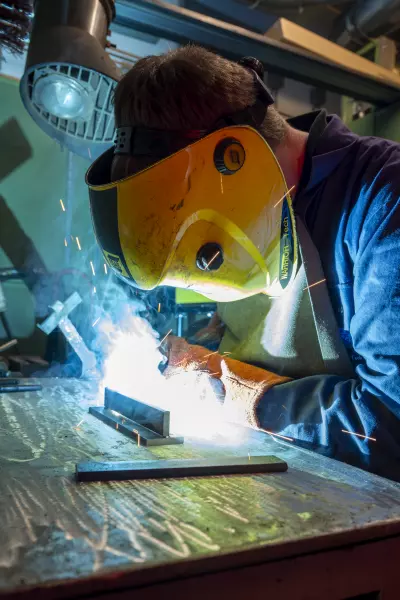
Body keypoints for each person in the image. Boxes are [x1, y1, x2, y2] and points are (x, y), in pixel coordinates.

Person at [86, 46, 400, 480]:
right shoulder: (251, 208)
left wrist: (222, 387)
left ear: (234, 160)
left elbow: (388, 428)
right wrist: (208, 345)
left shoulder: (383, 201)